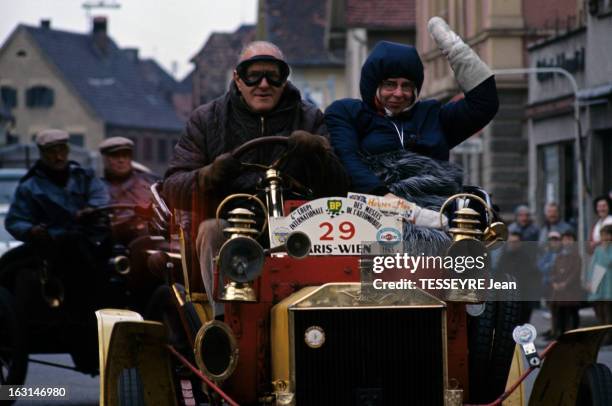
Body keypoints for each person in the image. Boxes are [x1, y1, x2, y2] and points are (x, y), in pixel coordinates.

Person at [163, 41, 349, 316]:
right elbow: (172, 187)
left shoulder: (310, 118)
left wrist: (317, 153)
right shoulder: (206, 120)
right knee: (212, 229)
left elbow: (341, 188)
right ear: (237, 79)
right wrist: (209, 175)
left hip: (299, 228)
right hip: (234, 229)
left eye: (273, 76)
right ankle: (225, 322)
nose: (263, 84)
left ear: (284, 80)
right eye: (254, 75)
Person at [324, 17, 498, 201]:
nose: (399, 93)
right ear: (373, 85)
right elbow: (347, 158)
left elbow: (484, 104)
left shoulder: (432, 115)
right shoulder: (347, 112)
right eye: (390, 84)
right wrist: (383, 196)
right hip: (371, 213)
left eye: (406, 86)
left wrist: (455, 50)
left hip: (436, 214)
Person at [5, 129, 110, 371]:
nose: (58, 156)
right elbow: (15, 220)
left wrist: (92, 210)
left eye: (62, 150)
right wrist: (32, 231)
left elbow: (101, 199)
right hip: (52, 248)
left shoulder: (84, 176)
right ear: (42, 154)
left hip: (89, 243)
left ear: (67, 150)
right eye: (52, 151)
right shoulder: (30, 186)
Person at [99, 136, 158, 207]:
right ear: (105, 160)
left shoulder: (151, 183)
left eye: (125, 155)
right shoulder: (95, 188)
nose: (121, 160)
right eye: (115, 156)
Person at [550, 230, 582, 336]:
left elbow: (575, 273)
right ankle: (561, 333)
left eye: (570, 239)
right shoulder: (559, 257)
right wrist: (554, 282)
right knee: (560, 313)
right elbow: (553, 271)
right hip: (559, 291)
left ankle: (573, 333)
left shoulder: (576, 256)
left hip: (571, 290)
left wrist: (565, 284)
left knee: (572, 312)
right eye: (565, 239)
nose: (567, 242)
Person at [586, 224, 612, 333]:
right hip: (598, 279)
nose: (605, 238)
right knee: (598, 308)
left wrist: (606, 248)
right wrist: (589, 281)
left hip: (609, 281)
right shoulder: (598, 250)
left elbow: (608, 261)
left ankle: (608, 335)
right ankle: (602, 333)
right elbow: (592, 265)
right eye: (603, 235)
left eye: (607, 235)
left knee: (608, 309)